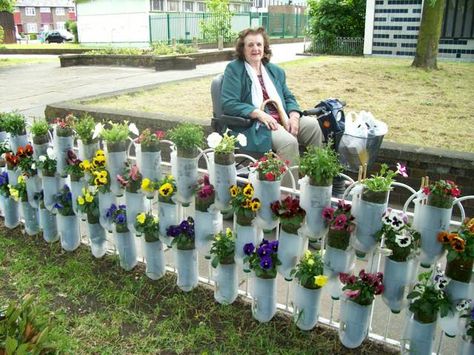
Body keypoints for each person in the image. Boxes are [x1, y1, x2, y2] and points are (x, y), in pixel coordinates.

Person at [221, 27, 323, 185]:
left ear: (264, 47)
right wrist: (258, 113)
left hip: (282, 117)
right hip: (256, 124)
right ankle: (287, 197)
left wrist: (294, 116)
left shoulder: (275, 71)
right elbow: (229, 103)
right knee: (288, 142)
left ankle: (315, 184)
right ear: (242, 49)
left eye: (259, 45)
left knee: (313, 125)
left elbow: (288, 97)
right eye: (250, 45)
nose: (255, 49)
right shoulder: (234, 70)